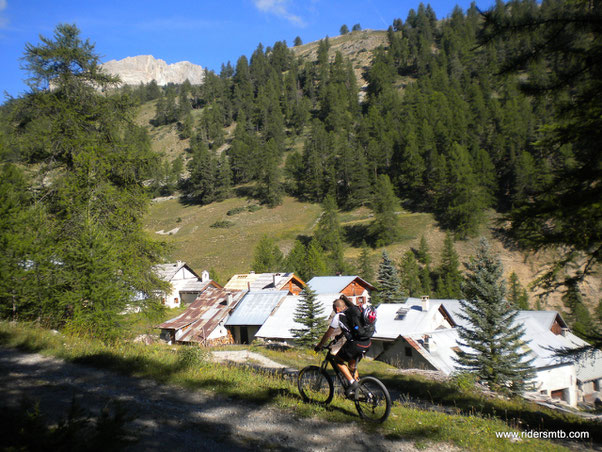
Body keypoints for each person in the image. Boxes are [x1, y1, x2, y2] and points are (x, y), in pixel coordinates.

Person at [314, 296, 371, 396]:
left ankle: (352, 383)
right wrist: (337, 338)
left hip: (355, 344)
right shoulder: (353, 313)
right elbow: (348, 330)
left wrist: (319, 345)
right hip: (367, 343)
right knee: (352, 366)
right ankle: (359, 389)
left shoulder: (339, 316)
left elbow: (328, 334)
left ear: (337, 309)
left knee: (338, 360)